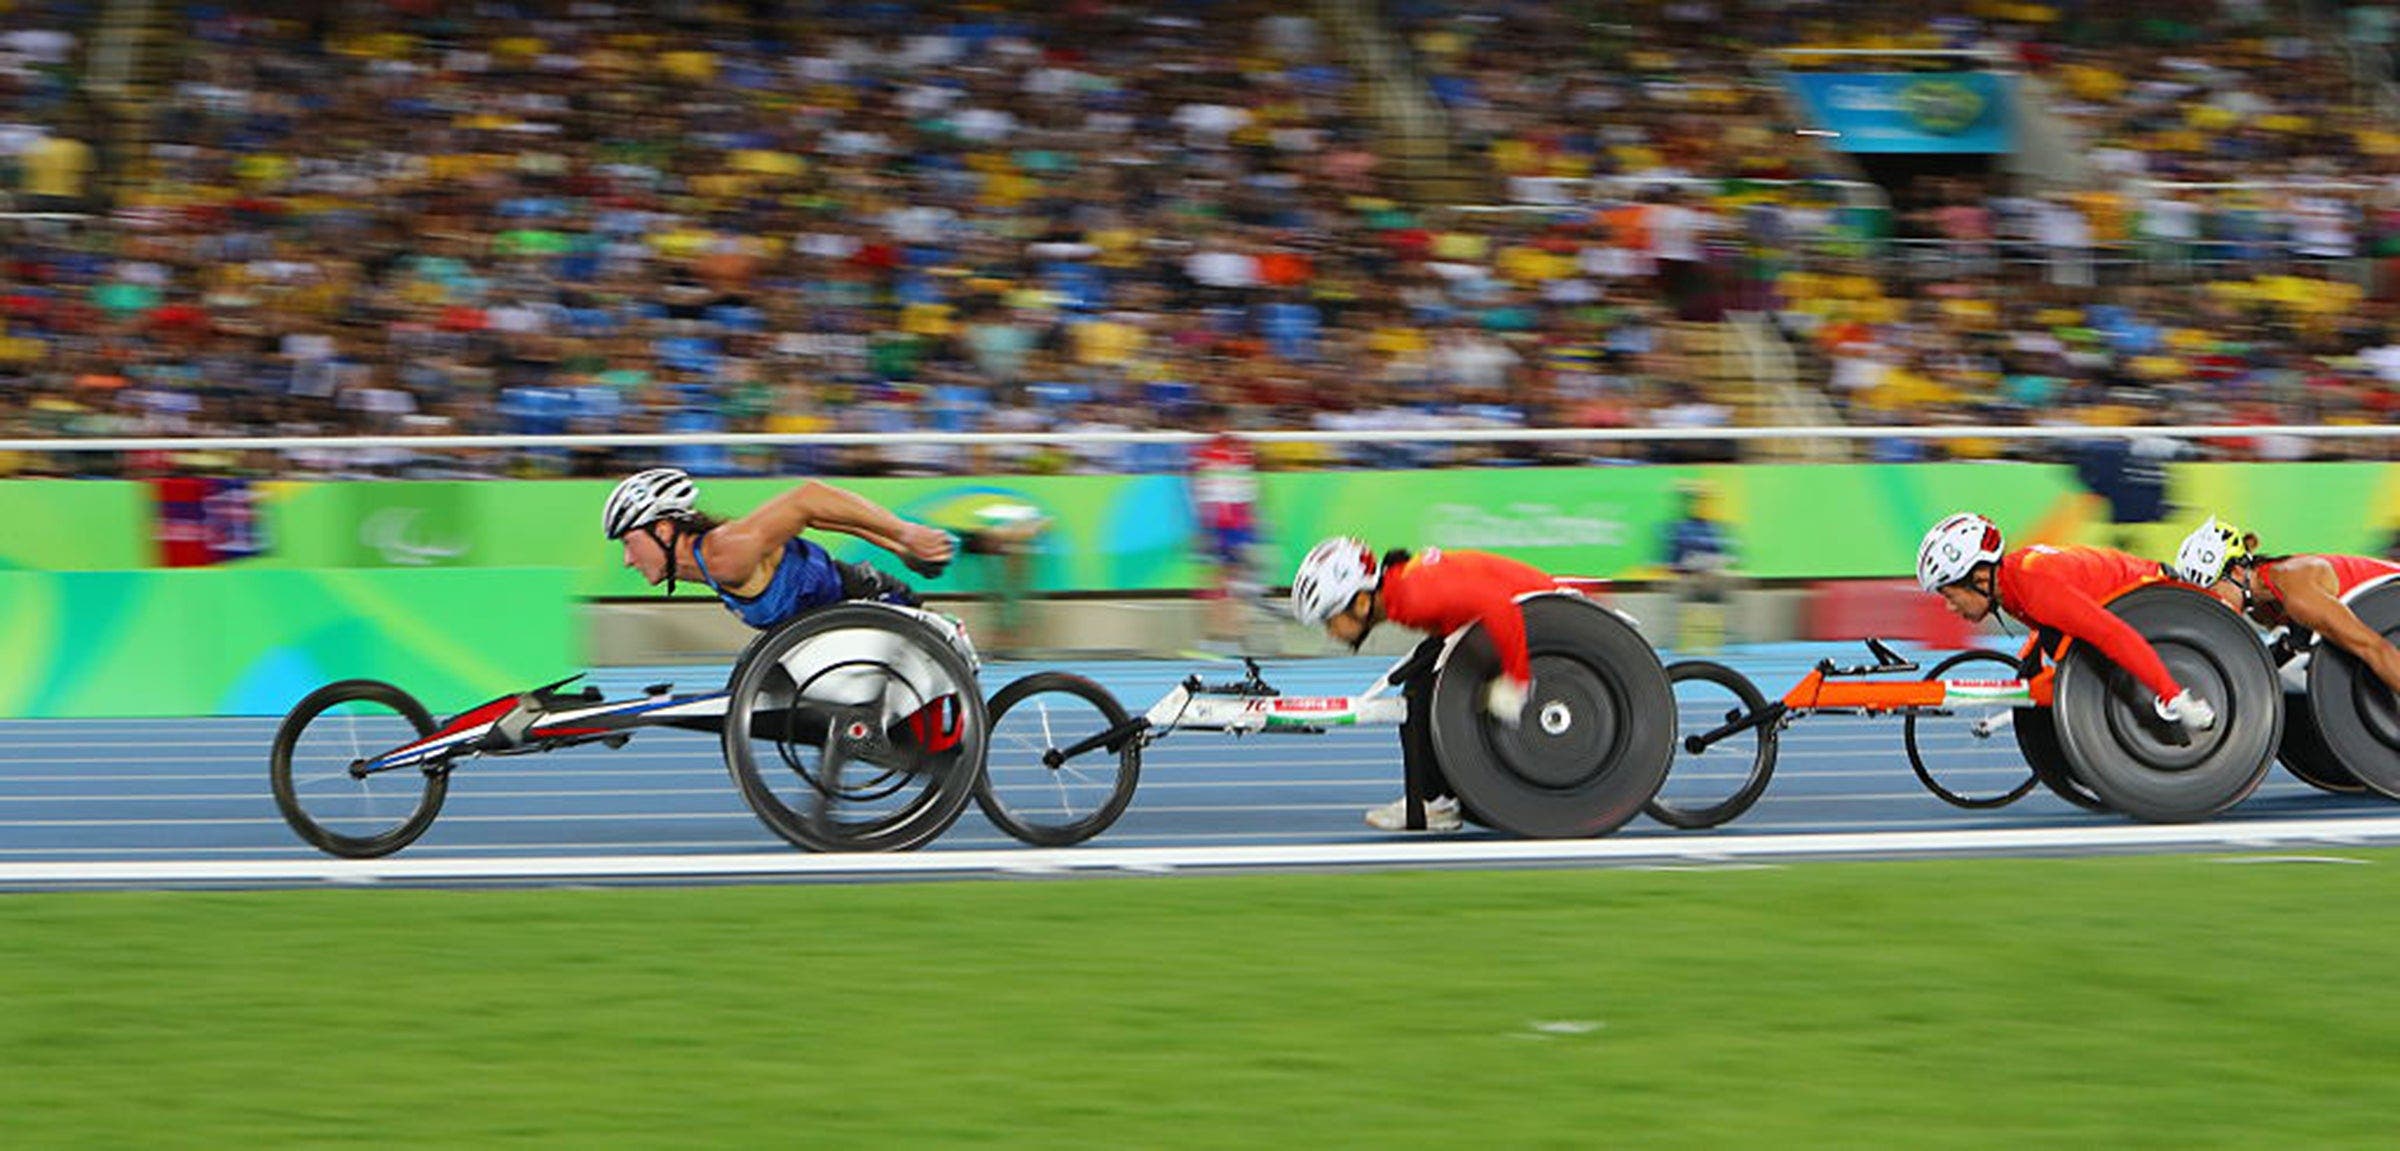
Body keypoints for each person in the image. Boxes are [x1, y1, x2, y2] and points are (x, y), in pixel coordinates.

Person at [1290, 537, 1557, 832]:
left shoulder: (1414, 597)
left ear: (1362, 602)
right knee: (1419, 679)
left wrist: (1516, 681)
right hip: (1518, 613)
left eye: (1330, 621)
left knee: (1419, 694)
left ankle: (1435, 802)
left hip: (1541, 618)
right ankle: (1438, 797)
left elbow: (1498, 606)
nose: (1331, 633)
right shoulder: (1400, 591)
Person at [1916, 512, 2217, 734]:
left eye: (1949, 594)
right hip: (2111, 598)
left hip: (2150, 594)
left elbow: (2114, 635)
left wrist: (2174, 698)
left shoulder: (2034, 586)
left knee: (2070, 658)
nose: (1950, 607)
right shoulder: (2010, 583)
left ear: (1979, 579)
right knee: (2046, 659)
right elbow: (2046, 624)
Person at [603, 467, 956, 630]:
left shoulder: (726, 552)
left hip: (873, 605)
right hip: (828, 630)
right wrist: (895, 547)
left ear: (663, 530)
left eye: (629, 543)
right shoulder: (698, 566)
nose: (627, 559)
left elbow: (810, 498)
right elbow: (817, 520)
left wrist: (906, 534)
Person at [2171, 516, 2400, 699]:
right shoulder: (2262, 607)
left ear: (2237, 572)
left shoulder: (2296, 592)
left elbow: (2376, 649)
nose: (2213, 602)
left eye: (2212, 589)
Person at [1189, 403, 1261, 654]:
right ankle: (1216, 636)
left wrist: (1253, 521)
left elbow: (1249, 488)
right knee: (1216, 581)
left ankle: (1234, 636)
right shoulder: (1203, 452)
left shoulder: (1241, 450)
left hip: (1238, 524)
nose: (1216, 427)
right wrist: (1202, 527)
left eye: (1220, 422)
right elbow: (1200, 490)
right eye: (1212, 423)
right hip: (1215, 525)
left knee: (1235, 582)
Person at [1662, 480, 1735, 654]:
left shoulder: (1712, 528)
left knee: (1725, 580)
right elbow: (1670, 558)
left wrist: (1715, 564)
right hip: (1685, 574)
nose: (1697, 506)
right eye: (1693, 501)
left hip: (1709, 574)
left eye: (1701, 501)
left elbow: (1723, 553)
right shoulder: (1678, 528)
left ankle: (1716, 639)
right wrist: (1680, 567)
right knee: (1684, 586)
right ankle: (1684, 641)